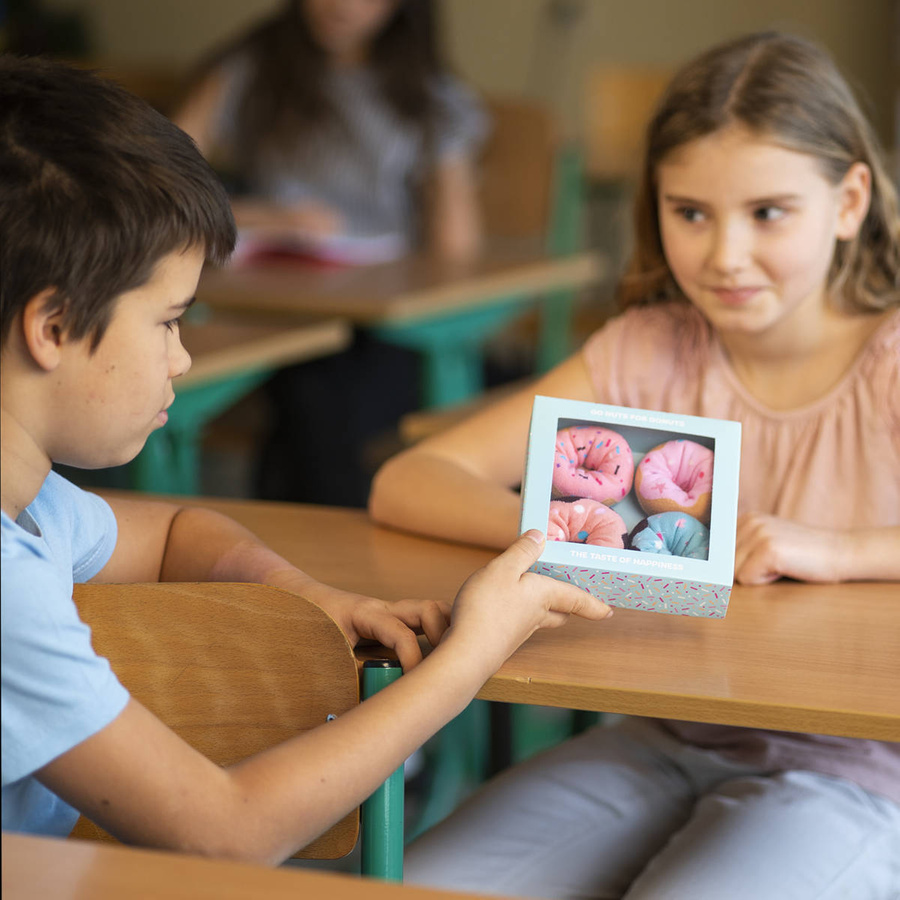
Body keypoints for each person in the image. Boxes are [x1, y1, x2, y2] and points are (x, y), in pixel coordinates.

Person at [0, 56, 613, 861]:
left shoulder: (32, 505)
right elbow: (226, 831)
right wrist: (469, 658)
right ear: (51, 328)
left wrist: (303, 595)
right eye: (168, 321)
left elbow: (179, 526)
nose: (182, 359)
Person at [369, 31, 900, 899]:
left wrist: (839, 552)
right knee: (420, 884)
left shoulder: (889, 362)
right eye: (690, 212)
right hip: (665, 739)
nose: (724, 255)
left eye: (768, 213)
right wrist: (583, 532)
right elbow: (409, 480)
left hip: (858, 772)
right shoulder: (648, 349)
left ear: (848, 204)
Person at [174, 0, 490, 507]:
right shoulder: (253, 65)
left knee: (319, 404)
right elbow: (162, 182)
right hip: (272, 315)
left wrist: (448, 164)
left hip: (382, 326)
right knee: (305, 398)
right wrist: (261, 215)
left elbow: (455, 249)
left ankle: (305, 551)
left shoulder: (427, 93)